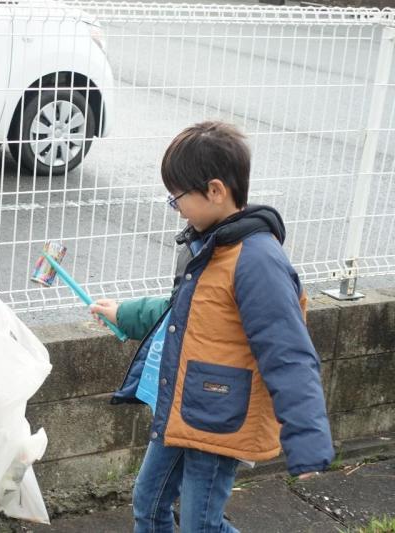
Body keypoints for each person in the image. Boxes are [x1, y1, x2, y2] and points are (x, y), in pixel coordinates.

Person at [90, 121, 333, 533]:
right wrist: (123, 314)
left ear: (216, 191)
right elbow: (178, 315)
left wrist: (307, 442)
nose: (176, 206)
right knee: (148, 504)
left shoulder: (257, 261)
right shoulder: (206, 246)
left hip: (222, 420)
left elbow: (288, 353)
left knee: (200, 525)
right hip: (182, 411)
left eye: (177, 197)